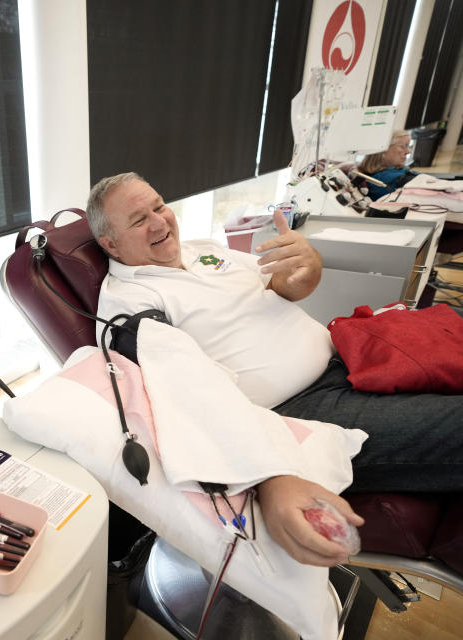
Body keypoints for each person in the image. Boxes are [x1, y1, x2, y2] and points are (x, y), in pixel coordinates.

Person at [87, 171, 463, 567]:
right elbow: (182, 397)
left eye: (159, 206)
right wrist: (269, 475)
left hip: (351, 355)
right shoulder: (128, 305)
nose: (160, 222)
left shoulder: (206, 250)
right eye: (138, 220)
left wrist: (309, 268)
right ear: (110, 243)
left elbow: (284, 286)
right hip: (304, 411)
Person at [357, 129, 416, 200]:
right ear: (383, 150)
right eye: (403, 146)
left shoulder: (396, 171)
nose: (408, 151)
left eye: (408, 146)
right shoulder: (384, 180)